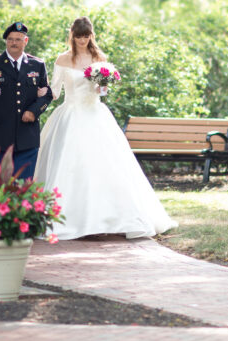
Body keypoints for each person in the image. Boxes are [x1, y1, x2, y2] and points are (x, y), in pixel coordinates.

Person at [33, 16, 176, 240]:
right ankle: (71, 220)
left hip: (95, 114)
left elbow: (102, 93)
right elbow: (56, 90)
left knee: (105, 164)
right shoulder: (62, 59)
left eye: (86, 36)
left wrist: (103, 84)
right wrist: (42, 93)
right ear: (72, 35)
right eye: (79, 37)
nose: (82, 40)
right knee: (70, 164)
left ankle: (109, 219)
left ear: (91, 35)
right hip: (70, 114)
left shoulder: (99, 58)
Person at [0, 21, 53, 180]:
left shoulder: (37, 65)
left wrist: (34, 111)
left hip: (27, 136)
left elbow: (47, 94)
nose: (14, 43)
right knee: (2, 186)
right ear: (6, 41)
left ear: (26, 41)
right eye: (10, 39)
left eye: (18, 39)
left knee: (25, 186)